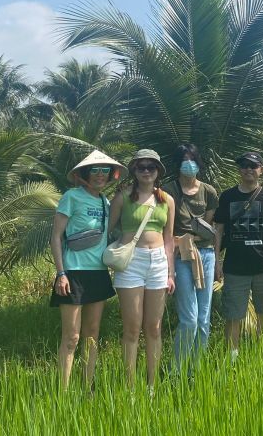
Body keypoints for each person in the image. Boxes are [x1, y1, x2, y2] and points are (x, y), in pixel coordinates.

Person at [49, 150, 122, 389]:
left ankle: (88, 387)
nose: (100, 175)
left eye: (104, 171)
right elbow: (56, 237)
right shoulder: (72, 196)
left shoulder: (106, 202)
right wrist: (61, 273)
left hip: (99, 273)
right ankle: (63, 393)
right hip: (74, 273)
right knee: (71, 337)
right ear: (85, 174)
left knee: (92, 335)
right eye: (95, 170)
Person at [108, 149, 175, 388]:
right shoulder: (123, 197)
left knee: (154, 328)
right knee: (132, 328)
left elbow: (169, 239)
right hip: (131, 262)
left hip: (158, 262)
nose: (146, 171)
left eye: (151, 167)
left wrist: (170, 272)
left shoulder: (166, 199)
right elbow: (108, 230)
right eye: (141, 167)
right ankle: (130, 387)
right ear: (134, 170)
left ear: (158, 171)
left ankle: (152, 385)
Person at [214, 151, 263, 362]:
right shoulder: (228, 196)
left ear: (261, 170)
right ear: (239, 170)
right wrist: (217, 261)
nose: (248, 169)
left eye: (253, 166)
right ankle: (232, 359)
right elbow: (218, 230)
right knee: (233, 316)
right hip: (235, 268)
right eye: (244, 165)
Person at [163, 144, 219, 372]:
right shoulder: (167, 191)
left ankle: (196, 370)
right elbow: (165, 227)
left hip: (206, 254)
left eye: (192, 159)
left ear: (199, 163)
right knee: (189, 319)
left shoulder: (209, 191)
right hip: (180, 255)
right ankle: (176, 370)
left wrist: (217, 258)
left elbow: (209, 227)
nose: (189, 163)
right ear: (177, 164)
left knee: (204, 318)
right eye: (184, 159)